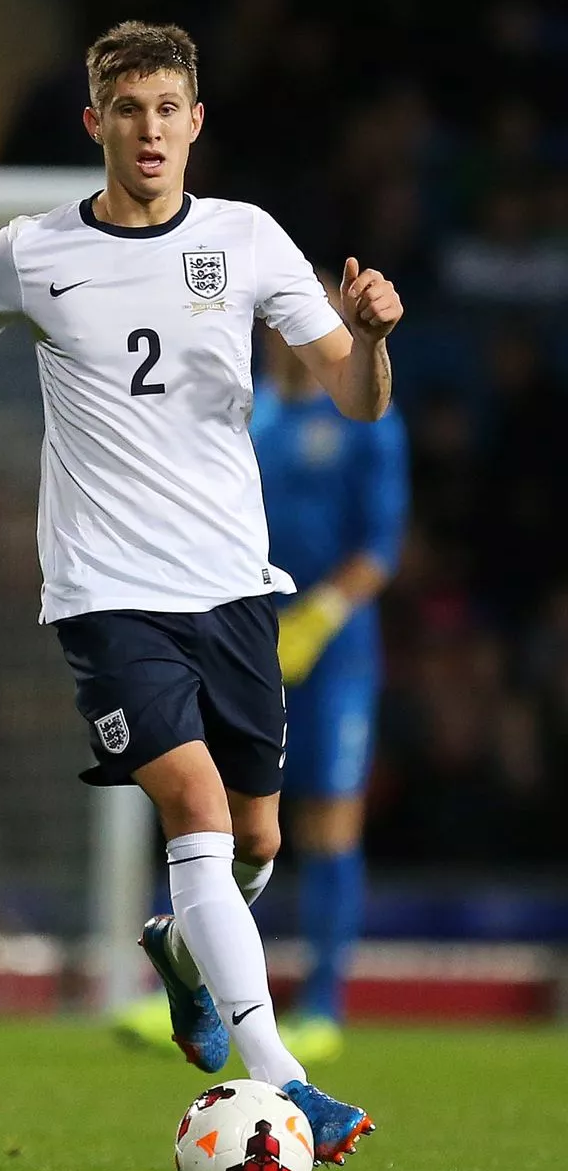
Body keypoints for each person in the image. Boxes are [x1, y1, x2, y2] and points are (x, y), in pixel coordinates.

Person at [0, 20, 403, 1166]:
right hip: (104, 594)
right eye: (128, 110)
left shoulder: (245, 242)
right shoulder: (27, 252)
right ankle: (291, 1084)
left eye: (168, 109)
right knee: (193, 811)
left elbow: (357, 399)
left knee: (253, 845)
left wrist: (372, 338)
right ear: (96, 124)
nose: (149, 130)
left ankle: (182, 950)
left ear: (196, 124)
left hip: (236, 589)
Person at [116, 287, 409, 1066]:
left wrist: (314, 621)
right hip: (240, 638)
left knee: (326, 823)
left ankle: (322, 1004)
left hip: (333, 655)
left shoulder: (365, 420)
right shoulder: (247, 412)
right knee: (204, 812)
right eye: (276, 318)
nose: (287, 332)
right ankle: (185, 986)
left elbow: (380, 547)